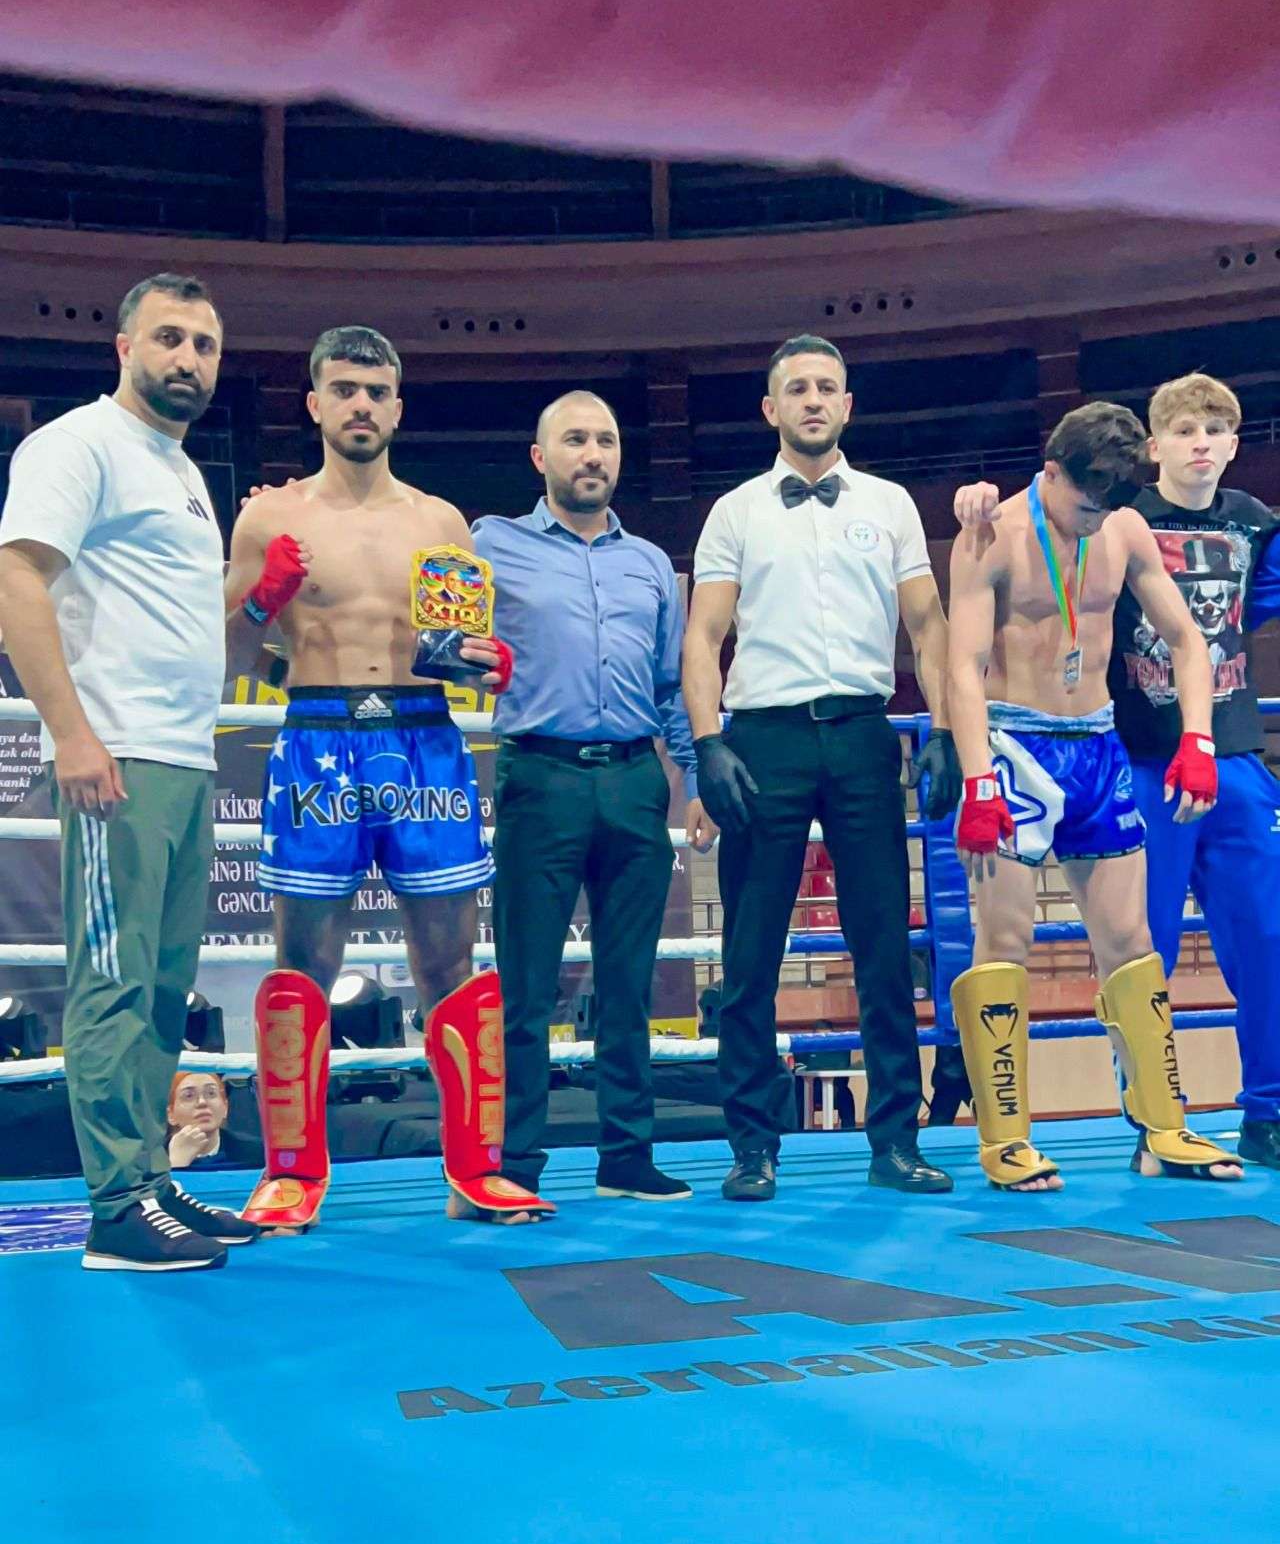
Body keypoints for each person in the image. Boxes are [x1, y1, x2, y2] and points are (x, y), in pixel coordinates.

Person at [225, 326, 552, 1228]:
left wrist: (486, 664)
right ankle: (290, 1173)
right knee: (304, 961)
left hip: (423, 737)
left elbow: (454, 650)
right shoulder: (268, 518)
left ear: (398, 407)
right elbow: (230, 657)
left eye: (376, 391)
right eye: (344, 389)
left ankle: (476, 1170)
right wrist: (262, 599)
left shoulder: (440, 522)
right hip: (318, 734)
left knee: (450, 959)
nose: (361, 405)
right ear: (315, 404)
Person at [954, 373, 1280, 1171]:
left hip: (1100, 745)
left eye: (1108, 505)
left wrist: (1197, 739)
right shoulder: (992, 534)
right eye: (1083, 504)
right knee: (1006, 939)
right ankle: (1005, 1140)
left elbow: (1189, 638)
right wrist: (977, 779)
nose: (1093, 519)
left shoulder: (1126, 527)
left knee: (1132, 942)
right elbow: (960, 666)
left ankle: (1162, 1129)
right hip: (1017, 749)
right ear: (1051, 472)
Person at [0, 272, 258, 1271]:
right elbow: (16, 576)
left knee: (160, 987)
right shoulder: (78, 445)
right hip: (115, 754)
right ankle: (114, 1207)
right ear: (123, 347)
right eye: (169, 338)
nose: (188, 358)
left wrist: (256, 594)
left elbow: (178, 623)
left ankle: (147, 1179)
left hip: (184, 757)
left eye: (204, 344)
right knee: (111, 981)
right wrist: (70, 733)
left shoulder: (182, 472)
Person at [683, 333, 962, 1200]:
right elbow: (703, 634)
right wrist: (707, 744)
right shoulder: (736, 510)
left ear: (847, 404)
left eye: (826, 387)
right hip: (763, 739)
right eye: (797, 387)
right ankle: (751, 1147)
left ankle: (896, 1142)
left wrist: (945, 728)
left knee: (883, 944)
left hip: (863, 733)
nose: (812, 399)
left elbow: (929, 624)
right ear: (771, 408)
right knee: (750, 952)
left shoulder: (891, 503)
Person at [471, 390, 714, 1207]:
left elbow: (671, 685)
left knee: (629, 981)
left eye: (605, 440)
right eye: (575, 439)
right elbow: (437, 632)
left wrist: (694, 781)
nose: (593, 454)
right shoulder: (489, 543)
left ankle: (627, 1157)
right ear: (540, 457)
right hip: (540, 775)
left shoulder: (650, 564)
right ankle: (516, 1163)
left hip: (636, 779)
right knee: (526, 984)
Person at [167, 1071, 230, 1168]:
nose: (202, 1102)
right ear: (171, 1114)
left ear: (225, 1107)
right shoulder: (149, 1161)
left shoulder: (252, 1154)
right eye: (189, 1096)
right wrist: (176, 1163)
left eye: (211, 1093)